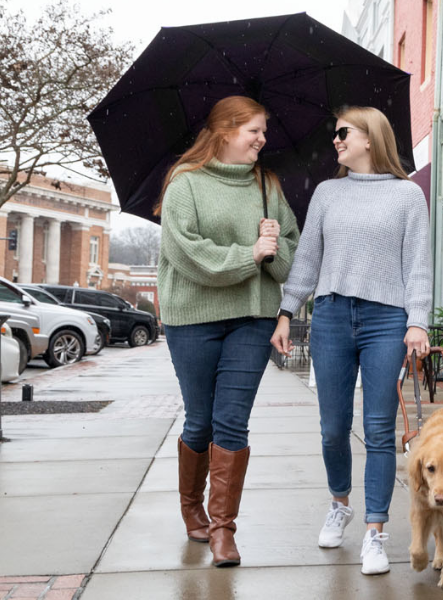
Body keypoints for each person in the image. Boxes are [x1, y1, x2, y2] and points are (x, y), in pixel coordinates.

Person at [271, 106, 432, 576]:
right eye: (336, 133)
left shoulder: (407, 196)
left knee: (380, 430)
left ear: (370, 138)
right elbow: (306, 262)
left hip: (387, 320)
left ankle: (375, 533)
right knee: (332, 427)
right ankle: (339, 503)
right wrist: (286, 311)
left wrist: (417, 320)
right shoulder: (327, 193)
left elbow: (418, 264)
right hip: (333, 317)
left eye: (344, 132)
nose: (336, 140)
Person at [156, 95, 299, 568]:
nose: (262, 139)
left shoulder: (267, 185)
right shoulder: (185, 183)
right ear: (224, 132)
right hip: (192, 318)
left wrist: (273, 247)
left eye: (264, 130)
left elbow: (294, 256)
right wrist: (248, 254)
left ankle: (223, 531)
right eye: (253, 130)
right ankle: (191, 509)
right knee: (201, 420)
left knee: (232, 420)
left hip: (252, 317)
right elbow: (186, 254)